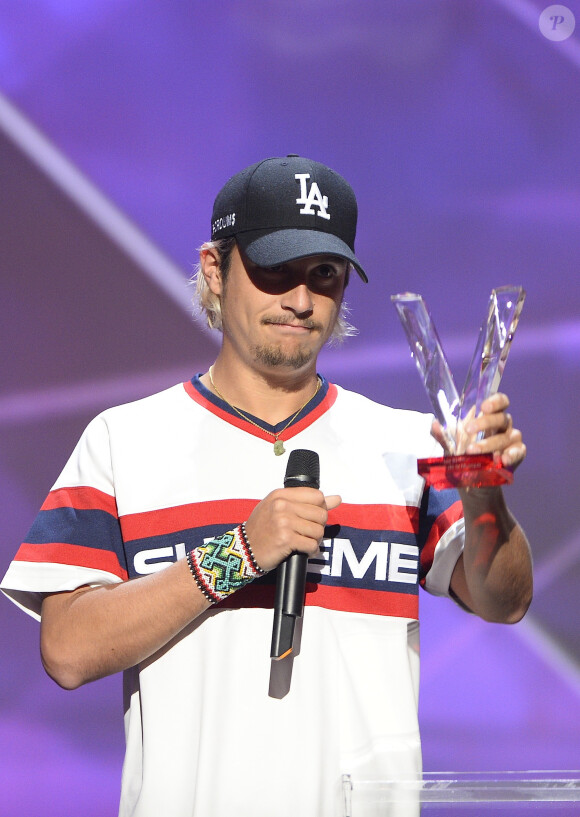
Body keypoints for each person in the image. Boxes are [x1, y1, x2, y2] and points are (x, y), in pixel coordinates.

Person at [1, 155, 533, 817]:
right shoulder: (125, 439)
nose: (302, 300)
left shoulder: (407, 443)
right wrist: (239, 553)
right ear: (215, 270)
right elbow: (68, 650)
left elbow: (503, 598)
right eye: (276, 270)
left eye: (324, 275)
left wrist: (483, 491)